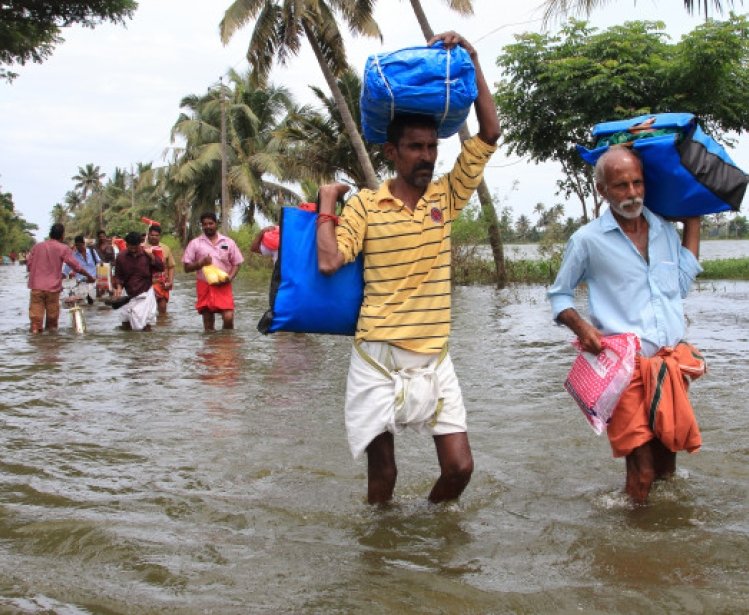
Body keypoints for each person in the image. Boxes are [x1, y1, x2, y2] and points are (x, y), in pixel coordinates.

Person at [316, 31, 500, 505]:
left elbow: (489, 134)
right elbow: (330, 260)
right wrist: (328, 203)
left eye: (431, 147)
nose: (426, 156)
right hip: (379, 355)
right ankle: (380, 558)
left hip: (435, 355)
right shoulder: (367, 207)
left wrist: (474, 58)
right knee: (385, 474)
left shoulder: (447, 196)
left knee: (460, 468)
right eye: (415, 148)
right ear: (391, 153)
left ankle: (426, 531)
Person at [548, 145, 705, 505]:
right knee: (643, 473)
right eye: (621, 186)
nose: (632, 193)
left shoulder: (664, 230)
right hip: (624, 370)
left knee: (667, 469)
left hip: (669, 366)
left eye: (637, 183)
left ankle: (658, 548)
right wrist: (581, 327)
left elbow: (678, 287)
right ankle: (629, 554)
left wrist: (693, 223)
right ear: (602, 190)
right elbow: (559, 296)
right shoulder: (587, 240)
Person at [25, 223, 95, 333]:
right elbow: (76, 266)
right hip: (52, 289)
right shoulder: (63, 248)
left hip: (36, 287)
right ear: (62, 236)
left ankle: (36, 343)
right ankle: (52, 345)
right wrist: (89, 276)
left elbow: (29, 266)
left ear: (50, 234)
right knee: (52, 323)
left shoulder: (37, 247)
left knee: (35, 322)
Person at [182, 212, 244, 331]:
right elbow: (186, 268)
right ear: (202, 226)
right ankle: (211, 346)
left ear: (216, 224)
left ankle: (225, 344)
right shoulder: (195, 243)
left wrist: (230, 277)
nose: (208, 226)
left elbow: (237, 262)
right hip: (204, 284)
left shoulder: (228, 242)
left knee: (228, 317)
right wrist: (200, 263)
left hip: (224, 284)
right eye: (205, 224)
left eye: (211, 223)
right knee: (208, 321)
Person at [113, 231, 164, 331]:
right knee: (125, 324)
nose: (133, 250)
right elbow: (118, 276)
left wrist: (152, 257)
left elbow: (161, 268)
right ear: (126, 244)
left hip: (145, 294)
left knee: (145, 326)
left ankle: (147, 344)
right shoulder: (121, 257)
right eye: (130, 247)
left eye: (135, 247)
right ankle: (129, 345)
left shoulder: (147, 254)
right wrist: (118, 288)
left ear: (139, 244)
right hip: (128, 294)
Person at [145, 225, 176, 315]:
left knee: (162, 308)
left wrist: (170, 281)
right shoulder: (142, 248)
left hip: (161, 283)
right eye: (152, 235)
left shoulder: (165, 248)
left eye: (156, 235)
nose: (154, 237)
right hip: (146, 282)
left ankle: (162, 324)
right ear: (148, 235)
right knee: (146, 310)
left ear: (160, 236)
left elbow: (171, 266)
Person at [62, 235, 100, 303]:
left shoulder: (92, 252)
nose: (78, 247)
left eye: (80, 245)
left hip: (94, 284)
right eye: (77, 245)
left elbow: (99, 264)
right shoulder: (73, 256)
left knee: (96, 303)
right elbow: (65, 272)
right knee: (83, 305)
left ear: (84, 244)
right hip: (82, 286)